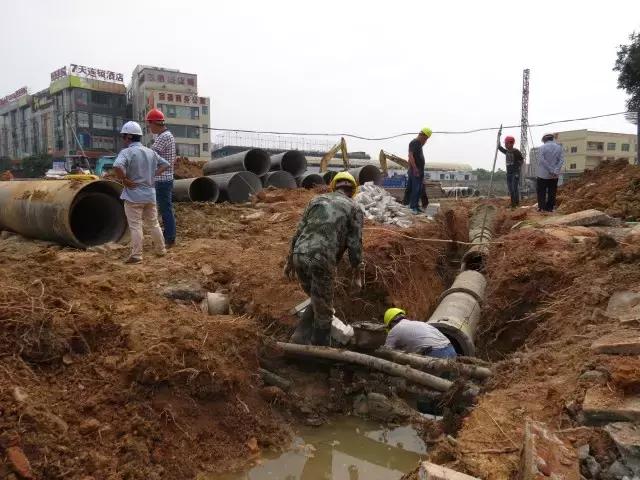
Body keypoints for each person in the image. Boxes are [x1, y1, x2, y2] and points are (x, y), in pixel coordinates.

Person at [284, 171, 364, 346]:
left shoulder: (315, 200)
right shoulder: (354, 208)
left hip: (300, 255)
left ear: (334, 186)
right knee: (324, 313)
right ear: (353, 191)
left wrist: (289, 261)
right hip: (322, 259)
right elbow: (355, 244)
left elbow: (299, 231)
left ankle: (298, 338)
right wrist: (357, 275)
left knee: (317, 298)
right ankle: (319, 354)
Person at [113, 121, 170, 264]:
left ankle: (137, 255)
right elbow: (166, 164)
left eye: (124, 136)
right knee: (154, 223)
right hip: (150, 195)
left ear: (129, 137)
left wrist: (124, 179)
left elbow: (117, 166)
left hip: (133, 196)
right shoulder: (150, 152)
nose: (123, 139)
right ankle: (161, 249)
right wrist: (153, 175)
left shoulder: (126, 152)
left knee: (135, 226)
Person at [146, 108, 177, 247]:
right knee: (165, 209)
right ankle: (168, 235)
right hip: (165, 178)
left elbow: (150, 155)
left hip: (163, 179)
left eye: (149, 124)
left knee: (165, 209)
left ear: (154, 123)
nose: (149, 127)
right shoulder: (165, 136)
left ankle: (169, 237)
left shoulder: (164, 137)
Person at [383, 307, 457, 359]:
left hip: (435, 354)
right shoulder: (418, 323)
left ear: (390, 323)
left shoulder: (394, 330)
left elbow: (387, 352)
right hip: (451, 350)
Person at [536, 133, 564, 212]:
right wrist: (555, 170)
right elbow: (561, 160)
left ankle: (542, 207)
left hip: (543, 174)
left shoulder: (542, 148)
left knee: (541, 191)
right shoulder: (559, 147)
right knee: (552, 191)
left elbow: (542, 160)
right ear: (552, 139)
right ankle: (550, 208)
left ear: (544, 140)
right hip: (554, 175)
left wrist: (550, 169)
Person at [407, 127, 432, 214]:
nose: (426, 140)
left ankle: (416, 206)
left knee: (419, 189)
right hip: (416, 170)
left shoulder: (418, 144)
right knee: (415, 189)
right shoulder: (414, 143)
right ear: (422, 135)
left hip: (419, 170)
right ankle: (413, 207)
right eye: (426, 138)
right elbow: (410, 156)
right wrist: (415, 168)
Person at [497, 135, 524, 208]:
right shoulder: (507, 152)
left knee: (514, 188)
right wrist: (498, 138)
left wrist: (517, 168)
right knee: (510, 189)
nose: (505, 145)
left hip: (515, 173)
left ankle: (515, 204)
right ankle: (513, 203)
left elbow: (521, 160)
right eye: (505, 144)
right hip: (508, 173)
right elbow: (500, 148)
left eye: (506, 143)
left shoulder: (516, 152)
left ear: (511, 143)